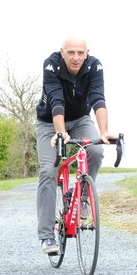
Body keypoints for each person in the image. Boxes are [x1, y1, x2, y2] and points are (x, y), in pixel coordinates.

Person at [36, 37, 116, 254]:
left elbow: (98, 98)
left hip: (81, 120)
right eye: (71, 52)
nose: (76, 57)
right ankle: (46, 237)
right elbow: (56, 99)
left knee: (96, 150)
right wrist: (60, 133)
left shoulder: (94, 65)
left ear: (86, 53)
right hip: (49, 123)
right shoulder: (51, 64)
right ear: (62, 52)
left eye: (80, 53)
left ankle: (82, 199)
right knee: (48, 170)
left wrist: (104, 131)